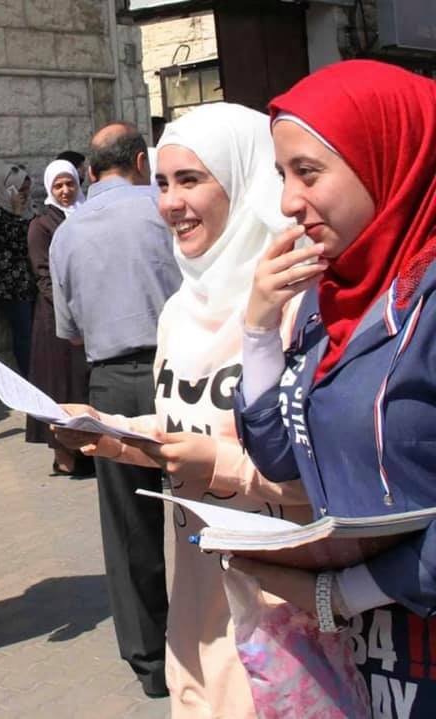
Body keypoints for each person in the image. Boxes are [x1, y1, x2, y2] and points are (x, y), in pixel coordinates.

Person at [56, 103, 312, 718]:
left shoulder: (298, 303)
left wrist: (219, 464)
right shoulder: (178, 310)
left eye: (191, 180)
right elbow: (182, 426)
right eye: (163, 183)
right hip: (199, 621)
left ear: (244, 180)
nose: (170, 203)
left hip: (287, 624)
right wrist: (110, 433)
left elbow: (328, 475)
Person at [232, 60, 436, 717]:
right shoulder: (332, 297)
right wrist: (259, 328)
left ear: (386, 158)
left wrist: (344, 592)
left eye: (308, 172)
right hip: (371, 660)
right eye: (282, 176)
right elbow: (281, 457)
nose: (289, 202)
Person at [49, 122, 181, 697]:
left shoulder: (66, 234)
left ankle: (152, 664)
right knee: (209, 503)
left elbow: (70, 330)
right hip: (178, 372)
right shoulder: (164, 208)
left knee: (129, 525)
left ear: (91, 170)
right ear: (140, 162)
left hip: (109, 382)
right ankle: (221, 640)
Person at [25, 158, 92, 477]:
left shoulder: (88, 214)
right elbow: (43, 276)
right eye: (58, 185)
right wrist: (71, 309)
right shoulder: (41, 225)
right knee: (60, 386)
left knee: (83, 385)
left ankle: (88, 448)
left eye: (70, 183)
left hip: (89, 314)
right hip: (55, 321)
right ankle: (63, 454)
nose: (65, 190)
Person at [0, 162, 36, 377]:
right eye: (20, 190)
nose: (24, 195)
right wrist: (17, 211)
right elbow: (18, 241)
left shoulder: (30, 211)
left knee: (36, 334)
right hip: (13, 289)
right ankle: (29, 379)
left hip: (32, 284)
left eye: (27, 189)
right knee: (24, 334)